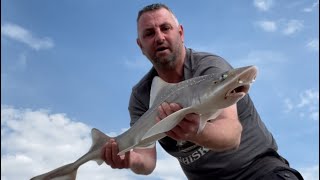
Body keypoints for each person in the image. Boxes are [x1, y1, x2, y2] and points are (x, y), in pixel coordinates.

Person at [102, 3, 304, 180]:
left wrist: (195, 131)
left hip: (257, 170)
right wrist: (129, 159)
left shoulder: (210, 68)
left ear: (180, 33)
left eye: (165, 28)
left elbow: (232, 135)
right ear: (140, 45)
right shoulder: (141, 96)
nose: (159, 37)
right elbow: (146, 161)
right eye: (149, 33)